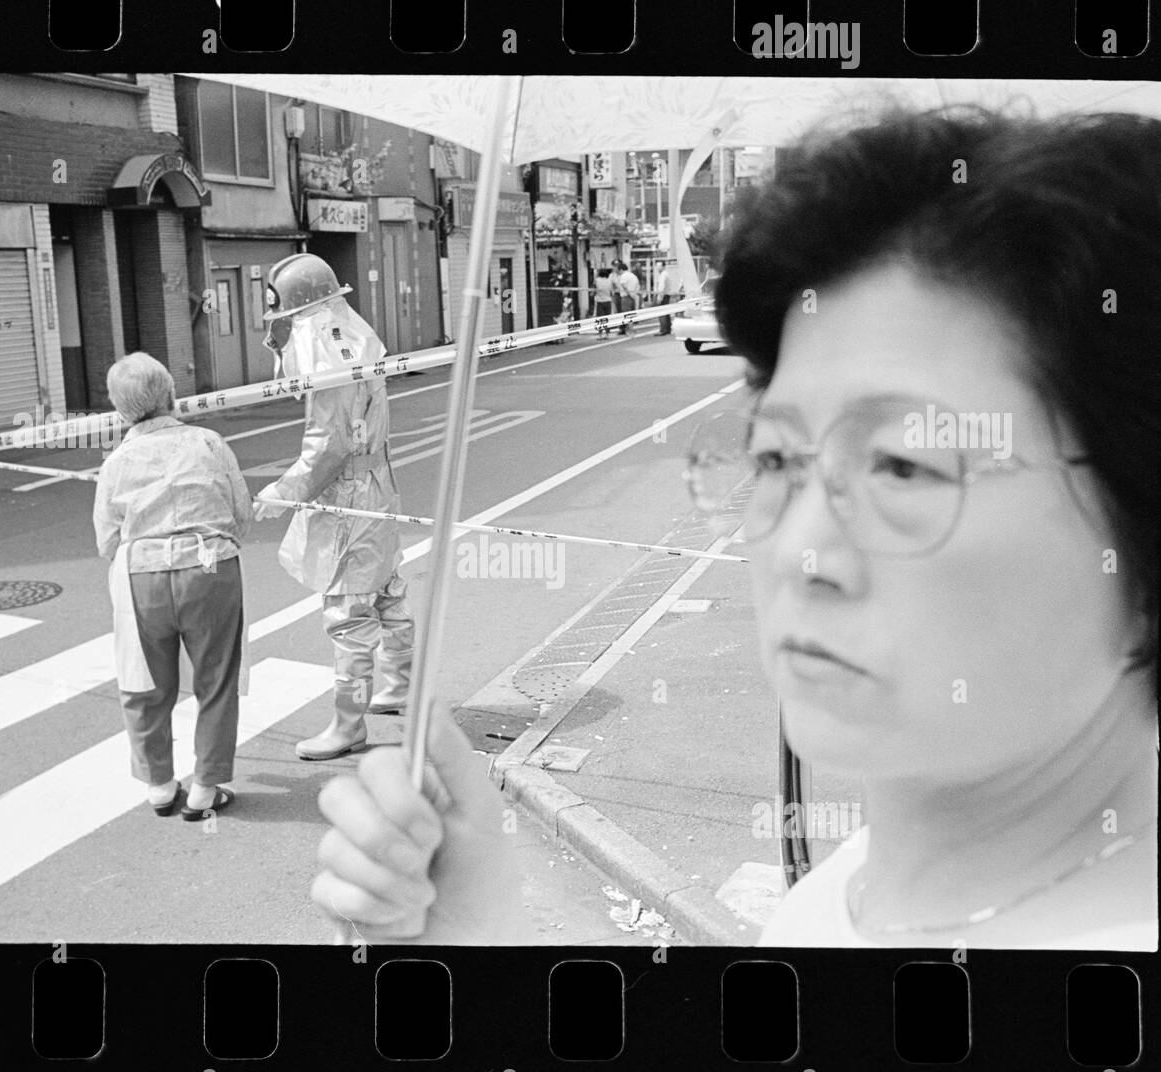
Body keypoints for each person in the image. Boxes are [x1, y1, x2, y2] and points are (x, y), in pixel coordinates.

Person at [308, 107, 1159, 950]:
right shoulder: (836, 901)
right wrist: (467, 937)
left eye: (904, 465)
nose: (799, 550)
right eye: (779, 459)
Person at [253, 253, 415, 761]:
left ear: (298, 307)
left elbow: (328, 441)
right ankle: (402, 686)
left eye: (282, 313)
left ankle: (349, 725)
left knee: (347, 613)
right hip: (377, 483)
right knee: (387, 591)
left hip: (347, 494)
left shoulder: (320, 345)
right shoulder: (351, 330)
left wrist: (285, 491)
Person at [93, 352, 252, 821]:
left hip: (143, 577)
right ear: (171, 395)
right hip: (210, 569)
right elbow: (240, 514)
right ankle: (206, 787)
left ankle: (160, 785)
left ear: (121, 410)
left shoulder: (117, 461)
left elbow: (106, 539)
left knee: (144, 683)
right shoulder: (209, 443)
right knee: (216, 681)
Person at [612, 260, 641, 335]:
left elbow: (623, 285)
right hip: (633, 297)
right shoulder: (633, 275)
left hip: (626, 297)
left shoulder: (624, 276)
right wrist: (633, 294)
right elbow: (638, 286)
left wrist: (629, 293)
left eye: (618, 269)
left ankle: (630, 331)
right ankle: (631, 330)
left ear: (621, 269)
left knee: (627, 314)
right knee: (631, 314)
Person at [655, 259, 682, 335]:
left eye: (659, 266)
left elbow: (661, 287)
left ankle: (663, 330)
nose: (657, 268)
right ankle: (667, 329)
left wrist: (659, 297)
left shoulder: (663, 275)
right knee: (666, 313)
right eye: (657, 266)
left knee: (662, 313)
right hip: (666, 295)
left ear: (663, 266)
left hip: (663, 295)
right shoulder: (666, 274)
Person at [592, 266, 614, 337]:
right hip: (608, 301)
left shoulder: (597, 280)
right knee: (607, 318)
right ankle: (607, 333)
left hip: (600, 301)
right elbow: (611, 292)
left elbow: (594, 290)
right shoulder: (609, 281)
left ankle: (600, 334)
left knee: (600, 318)